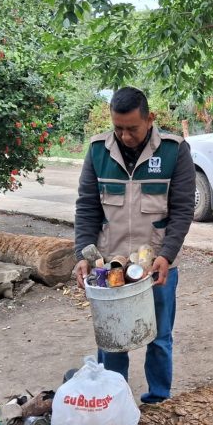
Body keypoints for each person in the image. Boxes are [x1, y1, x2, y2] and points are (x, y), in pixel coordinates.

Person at [74, 87, 195, 403]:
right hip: (110, 266)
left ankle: (158, 399)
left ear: (150, 119)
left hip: (156, 265)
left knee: (159, 336)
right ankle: (114, 399)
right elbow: (87, 206)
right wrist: (83, 253)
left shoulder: (174, 151)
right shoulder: (98, 150)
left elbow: (182, 210)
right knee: (112, 337)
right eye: (118, 128)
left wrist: (167, 254)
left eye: (132, 128)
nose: (125, 136)